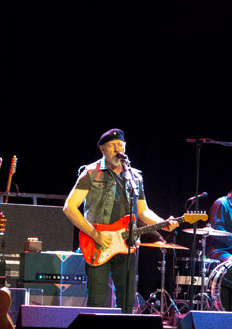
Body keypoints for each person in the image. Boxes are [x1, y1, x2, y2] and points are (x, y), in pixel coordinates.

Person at [63, 129, 177, 313]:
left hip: (127, 245)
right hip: (97, 244)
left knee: (126, 304)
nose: (118, 149)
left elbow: (143, 211)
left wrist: (164, 222)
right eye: (112, 146)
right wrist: (95, 234)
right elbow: (69, 207)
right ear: (102, 149)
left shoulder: (135, 177)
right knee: (97, 303)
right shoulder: (91, 173)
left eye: (120, 145)